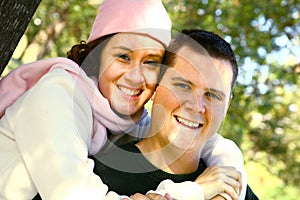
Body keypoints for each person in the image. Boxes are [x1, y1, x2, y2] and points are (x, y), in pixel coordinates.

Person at [0, 0, 245, 199]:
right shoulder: (56, 95)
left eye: (150, 62)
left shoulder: (124, 120)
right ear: (97, 57)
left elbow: (206, 137)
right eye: (123, 57)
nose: (136, 76)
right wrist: (195, 192)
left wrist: (228, 171)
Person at [91, 29, 259, 200]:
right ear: (156, 86)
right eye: (183, 86)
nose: (196, 106)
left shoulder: (233, 190)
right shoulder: (98, 178)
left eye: (213, 95)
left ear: (227, 105)